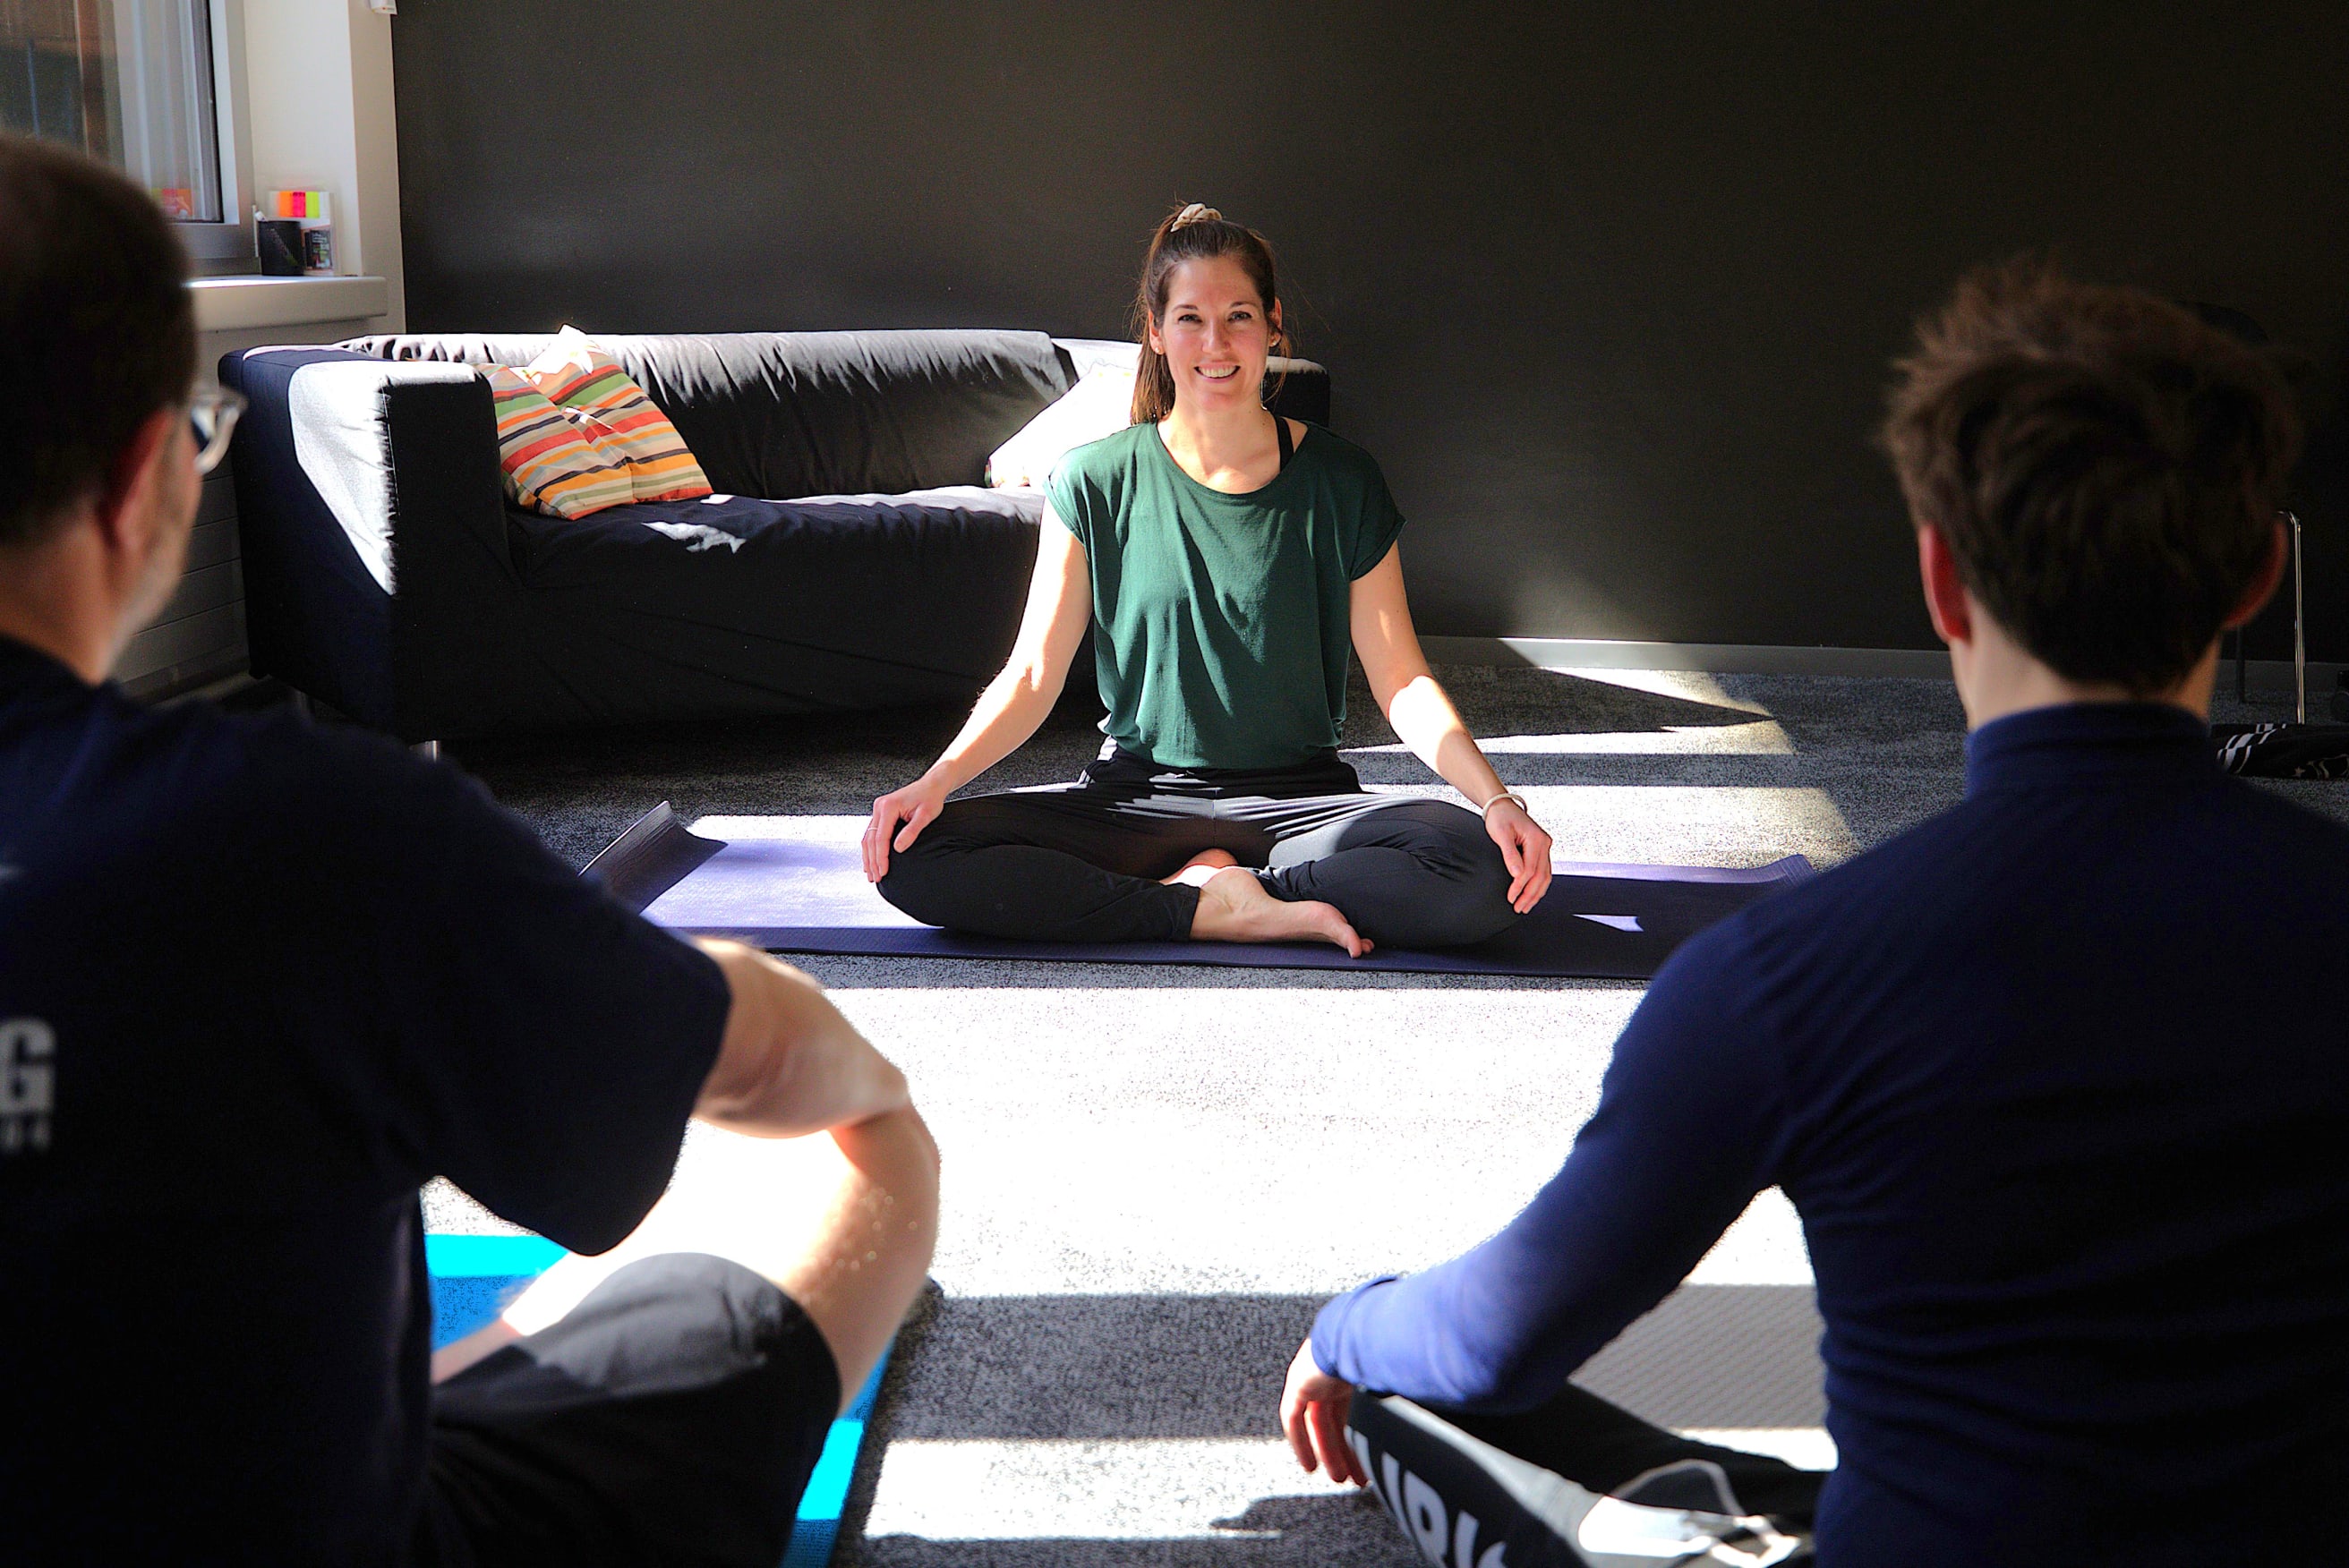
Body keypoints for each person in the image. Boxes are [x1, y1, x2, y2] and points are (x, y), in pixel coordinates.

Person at [1278, 263, 2347, 1567]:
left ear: (1941, 579)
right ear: (2253, 577)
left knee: (1421, 1398)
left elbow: (1499, 1341)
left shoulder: (1784, 975)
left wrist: (1350, 1324)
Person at [0, 135, 938, 1566]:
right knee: (865, 1162)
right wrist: (877, 1088)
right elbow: (747, 1056)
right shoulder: (314, 828)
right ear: (145, 480)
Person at [865, 204, 1552, 957]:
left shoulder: (1342, 480)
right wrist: (931, 785)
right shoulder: (1093, 479)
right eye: (1190, 318)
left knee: (1482, 870)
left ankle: (1241, 892)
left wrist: (1494, 799)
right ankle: (1215, 907)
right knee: (909, 854)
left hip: (1302, 807)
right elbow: (1032, 675)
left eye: (1239, 316)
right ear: (1156, 334)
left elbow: (1403, 680)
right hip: (1137, 801)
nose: (1216, 344)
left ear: (1274, 325)